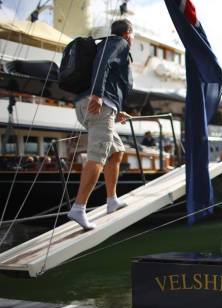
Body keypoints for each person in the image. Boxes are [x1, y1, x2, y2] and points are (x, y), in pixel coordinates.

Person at [67, 19, 134, 230]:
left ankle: (112, 200)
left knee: (116, 152)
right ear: (128, 33)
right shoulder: (118, 43)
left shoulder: (105, 43)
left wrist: (116, 108)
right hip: (97, 104)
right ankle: (78, 208)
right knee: (98, 154)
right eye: (133, 35)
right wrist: (98, 94)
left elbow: (111, 78)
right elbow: (103, 64)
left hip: (97, 105)